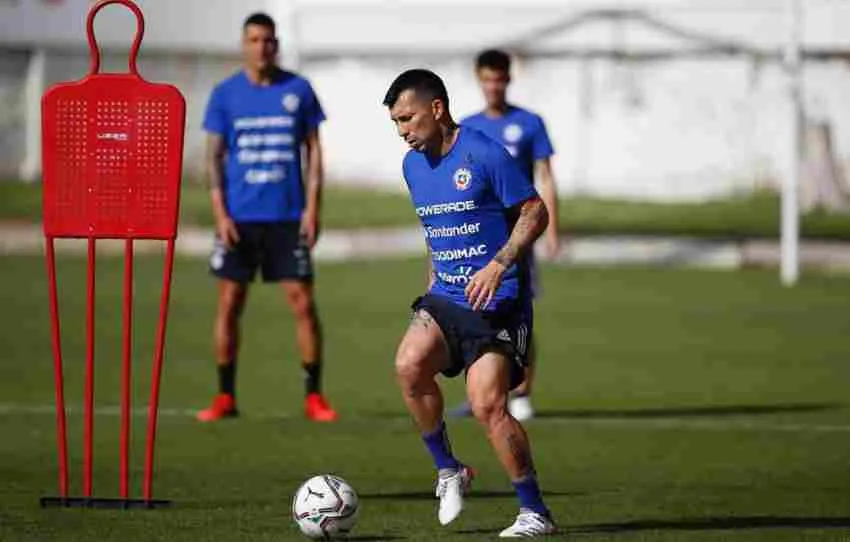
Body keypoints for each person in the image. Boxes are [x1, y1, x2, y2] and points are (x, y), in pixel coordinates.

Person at [384, 69, 557, 537]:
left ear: (436, 109)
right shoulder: (412, 166)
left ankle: (535, 511)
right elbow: (435, 233)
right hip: (445, 297)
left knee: (487, 406)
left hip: (498, 302)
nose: (402, 132)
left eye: (407, 119)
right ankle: (448, 470)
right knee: (407, 366)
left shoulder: (481, 151)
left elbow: (534, 210)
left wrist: (500, 263)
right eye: (395, 123)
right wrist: (430, 292)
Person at [196, 12, 337, 423]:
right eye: (255, 40)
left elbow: (314, 153)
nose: (262, 47)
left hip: (287, 216)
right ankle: (225, 396)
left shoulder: (299, 89)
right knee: (229, 304)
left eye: (269, 40)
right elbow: (214, 159)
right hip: (239, 217)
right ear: (244, 44)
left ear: (277, 45)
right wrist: (220, 214)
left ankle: (314, 396)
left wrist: (313, 208)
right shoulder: (225, 94)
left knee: (304, 305)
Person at [452, 49, 560, 422]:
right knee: (473, 314)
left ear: (508, 79)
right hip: (478, 236)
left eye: (499, 79)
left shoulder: (529, 123)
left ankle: (522, 393)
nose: (493, 86)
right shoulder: (466, 127)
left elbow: (545, 177)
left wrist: (553, 230)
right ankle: (479, 392)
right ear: (479, 80)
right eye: (487, 79)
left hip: (519, 234)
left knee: (520, 315)